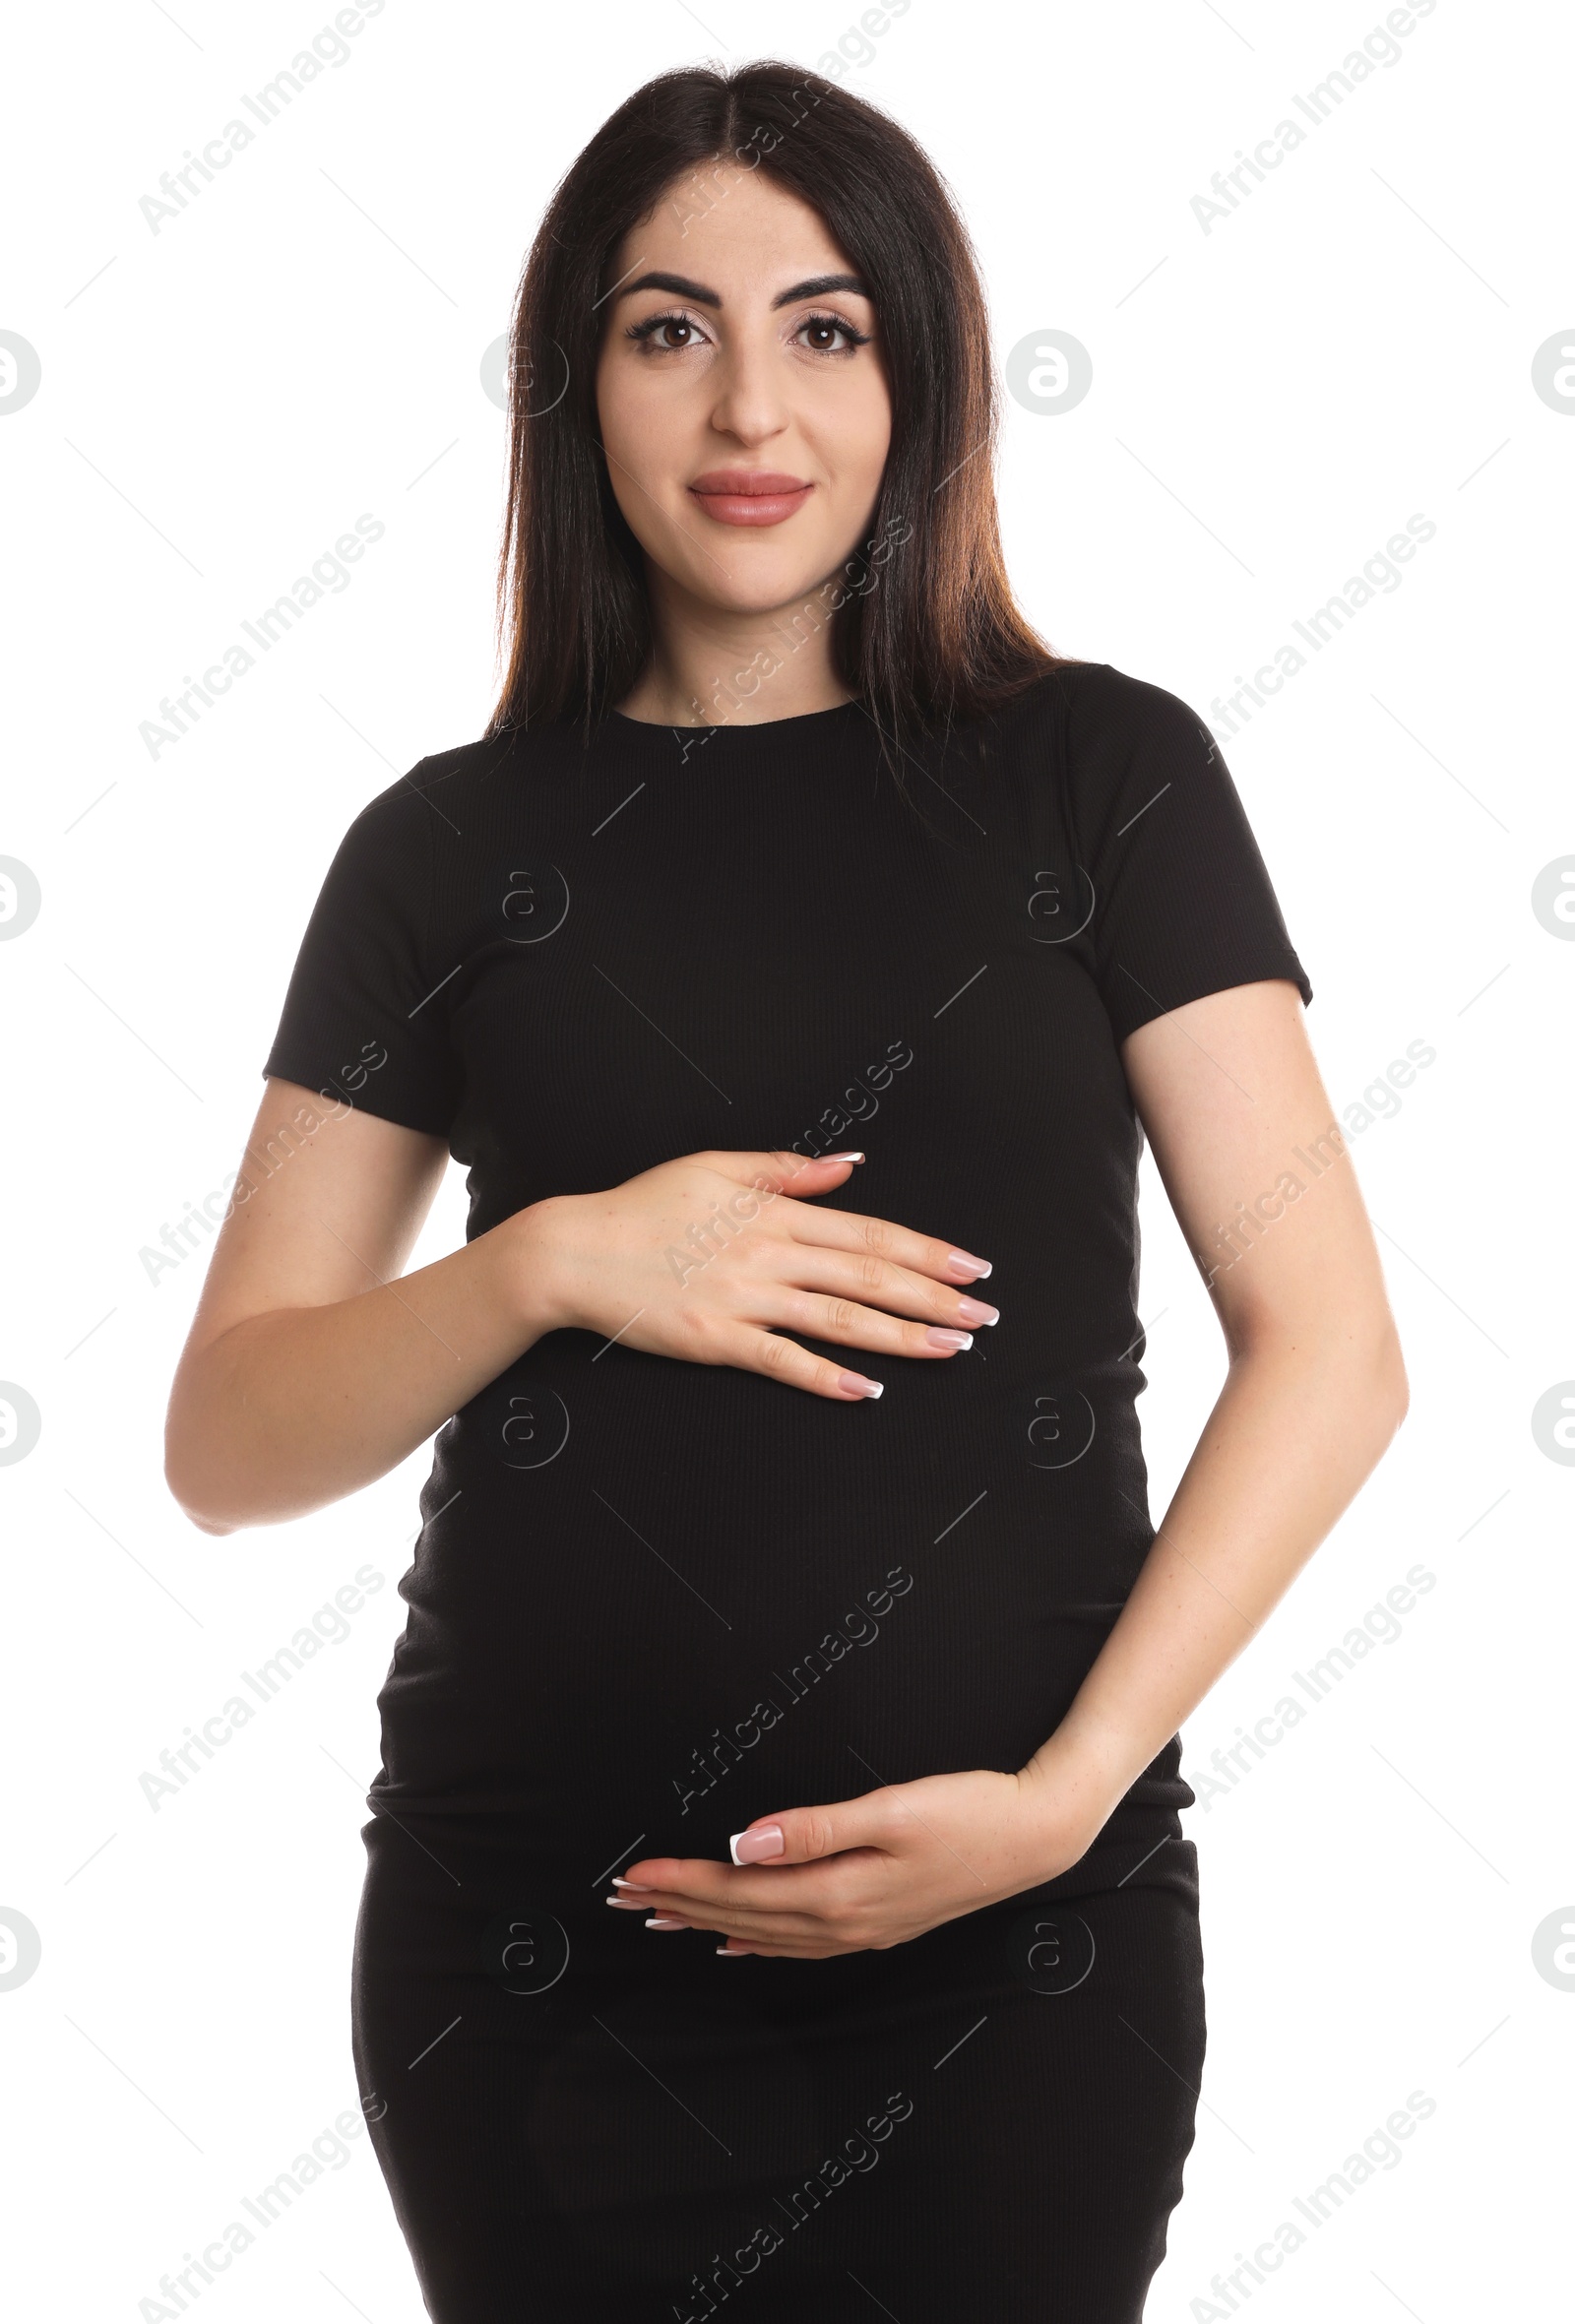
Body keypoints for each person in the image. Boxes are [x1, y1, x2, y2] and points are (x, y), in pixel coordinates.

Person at [164, 58, 1409, 2324]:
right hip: (537, 1954)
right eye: (670, 328)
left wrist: (1061, 1797)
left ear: (916, 374)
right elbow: (232, 1440)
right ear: (579, 384)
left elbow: (1332, 1349)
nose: (752, 405)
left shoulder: (1099, 775)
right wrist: (550, 1258)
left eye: (825, 327)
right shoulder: (446, 849)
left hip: (1015, 1954)